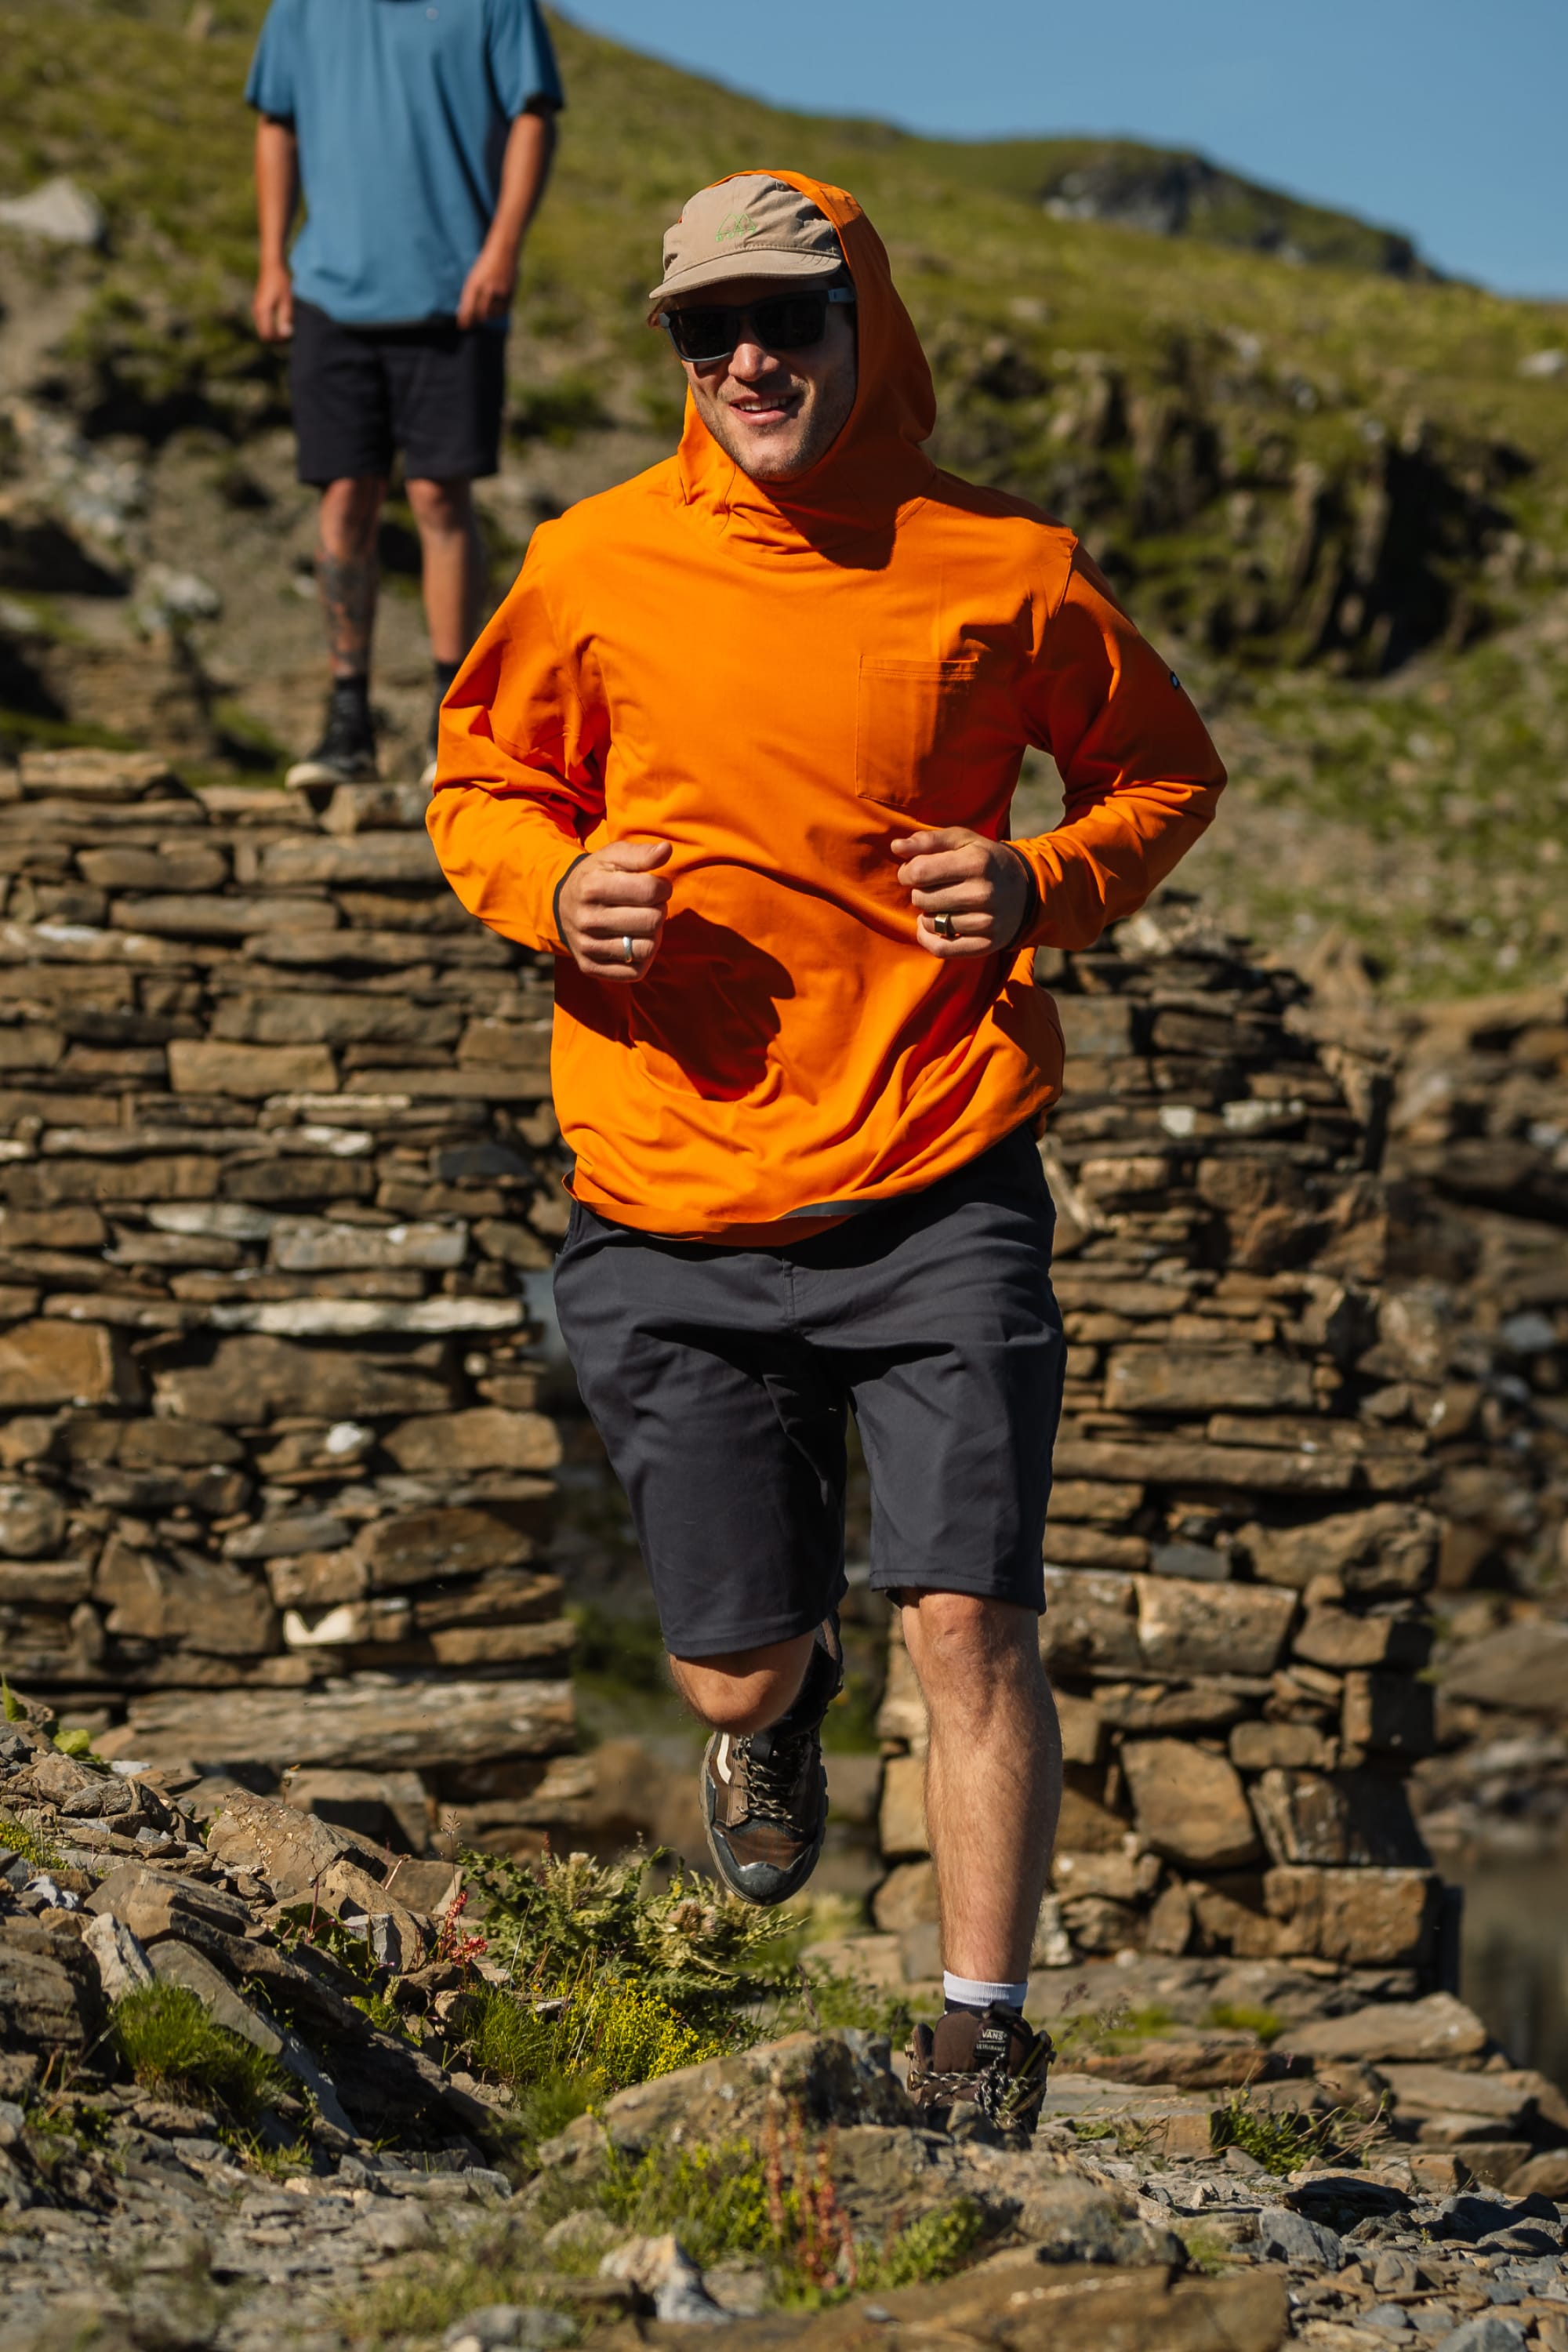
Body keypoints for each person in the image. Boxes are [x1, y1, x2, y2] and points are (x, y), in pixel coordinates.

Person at [427, 172, 1225, 2130]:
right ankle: (773, 1714)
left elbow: (1162, 770)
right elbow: (480, 775)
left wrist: (1037, 881)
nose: (749, 360)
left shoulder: (1001, 565)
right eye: (706, 332)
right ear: (677, 357)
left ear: (862, 315)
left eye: (787, 315)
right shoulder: (594, 562)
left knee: (968, 1611)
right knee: (726, 1670)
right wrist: (550, 886)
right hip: (665, 1179)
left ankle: (979, 2031)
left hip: (943, 1160)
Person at [245, 0, 563, 789]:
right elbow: (275, 122)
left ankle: (449, 724)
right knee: (344, 497)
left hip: (455, 295)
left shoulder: (495, 6)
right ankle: (346, 721)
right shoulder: (301, 10)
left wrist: (503, 248)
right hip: (329, 295)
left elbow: (532, 116)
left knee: (437, 497)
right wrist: (272, 261)